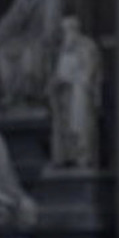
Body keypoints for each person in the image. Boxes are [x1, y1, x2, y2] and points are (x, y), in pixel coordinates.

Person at [0, 0, 62, 107]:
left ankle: (32, 93)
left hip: (44, 40)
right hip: (27, 39)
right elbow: (10, 20)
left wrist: (47, 39)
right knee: (2, 50)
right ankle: (12, 92)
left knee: (30, 53)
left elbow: (52, 25)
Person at [48, 16, 102, 168]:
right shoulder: (63, 49)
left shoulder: (87, 46)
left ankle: (83, 157)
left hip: (80, 92)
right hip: (64, 93)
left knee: (81, 125)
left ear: (75, 30)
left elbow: (90, 72)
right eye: (63, 31)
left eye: (67, 30)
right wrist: (56, 81)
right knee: (63, 126)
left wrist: (72, 79)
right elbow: (58, 71)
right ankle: (66, 156)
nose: (65, 34)